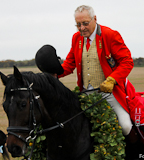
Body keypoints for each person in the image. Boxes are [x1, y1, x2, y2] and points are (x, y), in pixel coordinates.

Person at [58, 5, 135, 141]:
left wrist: (112, 79)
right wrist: (51, 75)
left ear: (95, 19)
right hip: (85, 94)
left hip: (109, 93)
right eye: (78, 25)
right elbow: (69, 64)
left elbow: (127, 62)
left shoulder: (110, 35)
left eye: (85, 23)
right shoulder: (76, 38)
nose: (82, 28)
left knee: (125, 126)